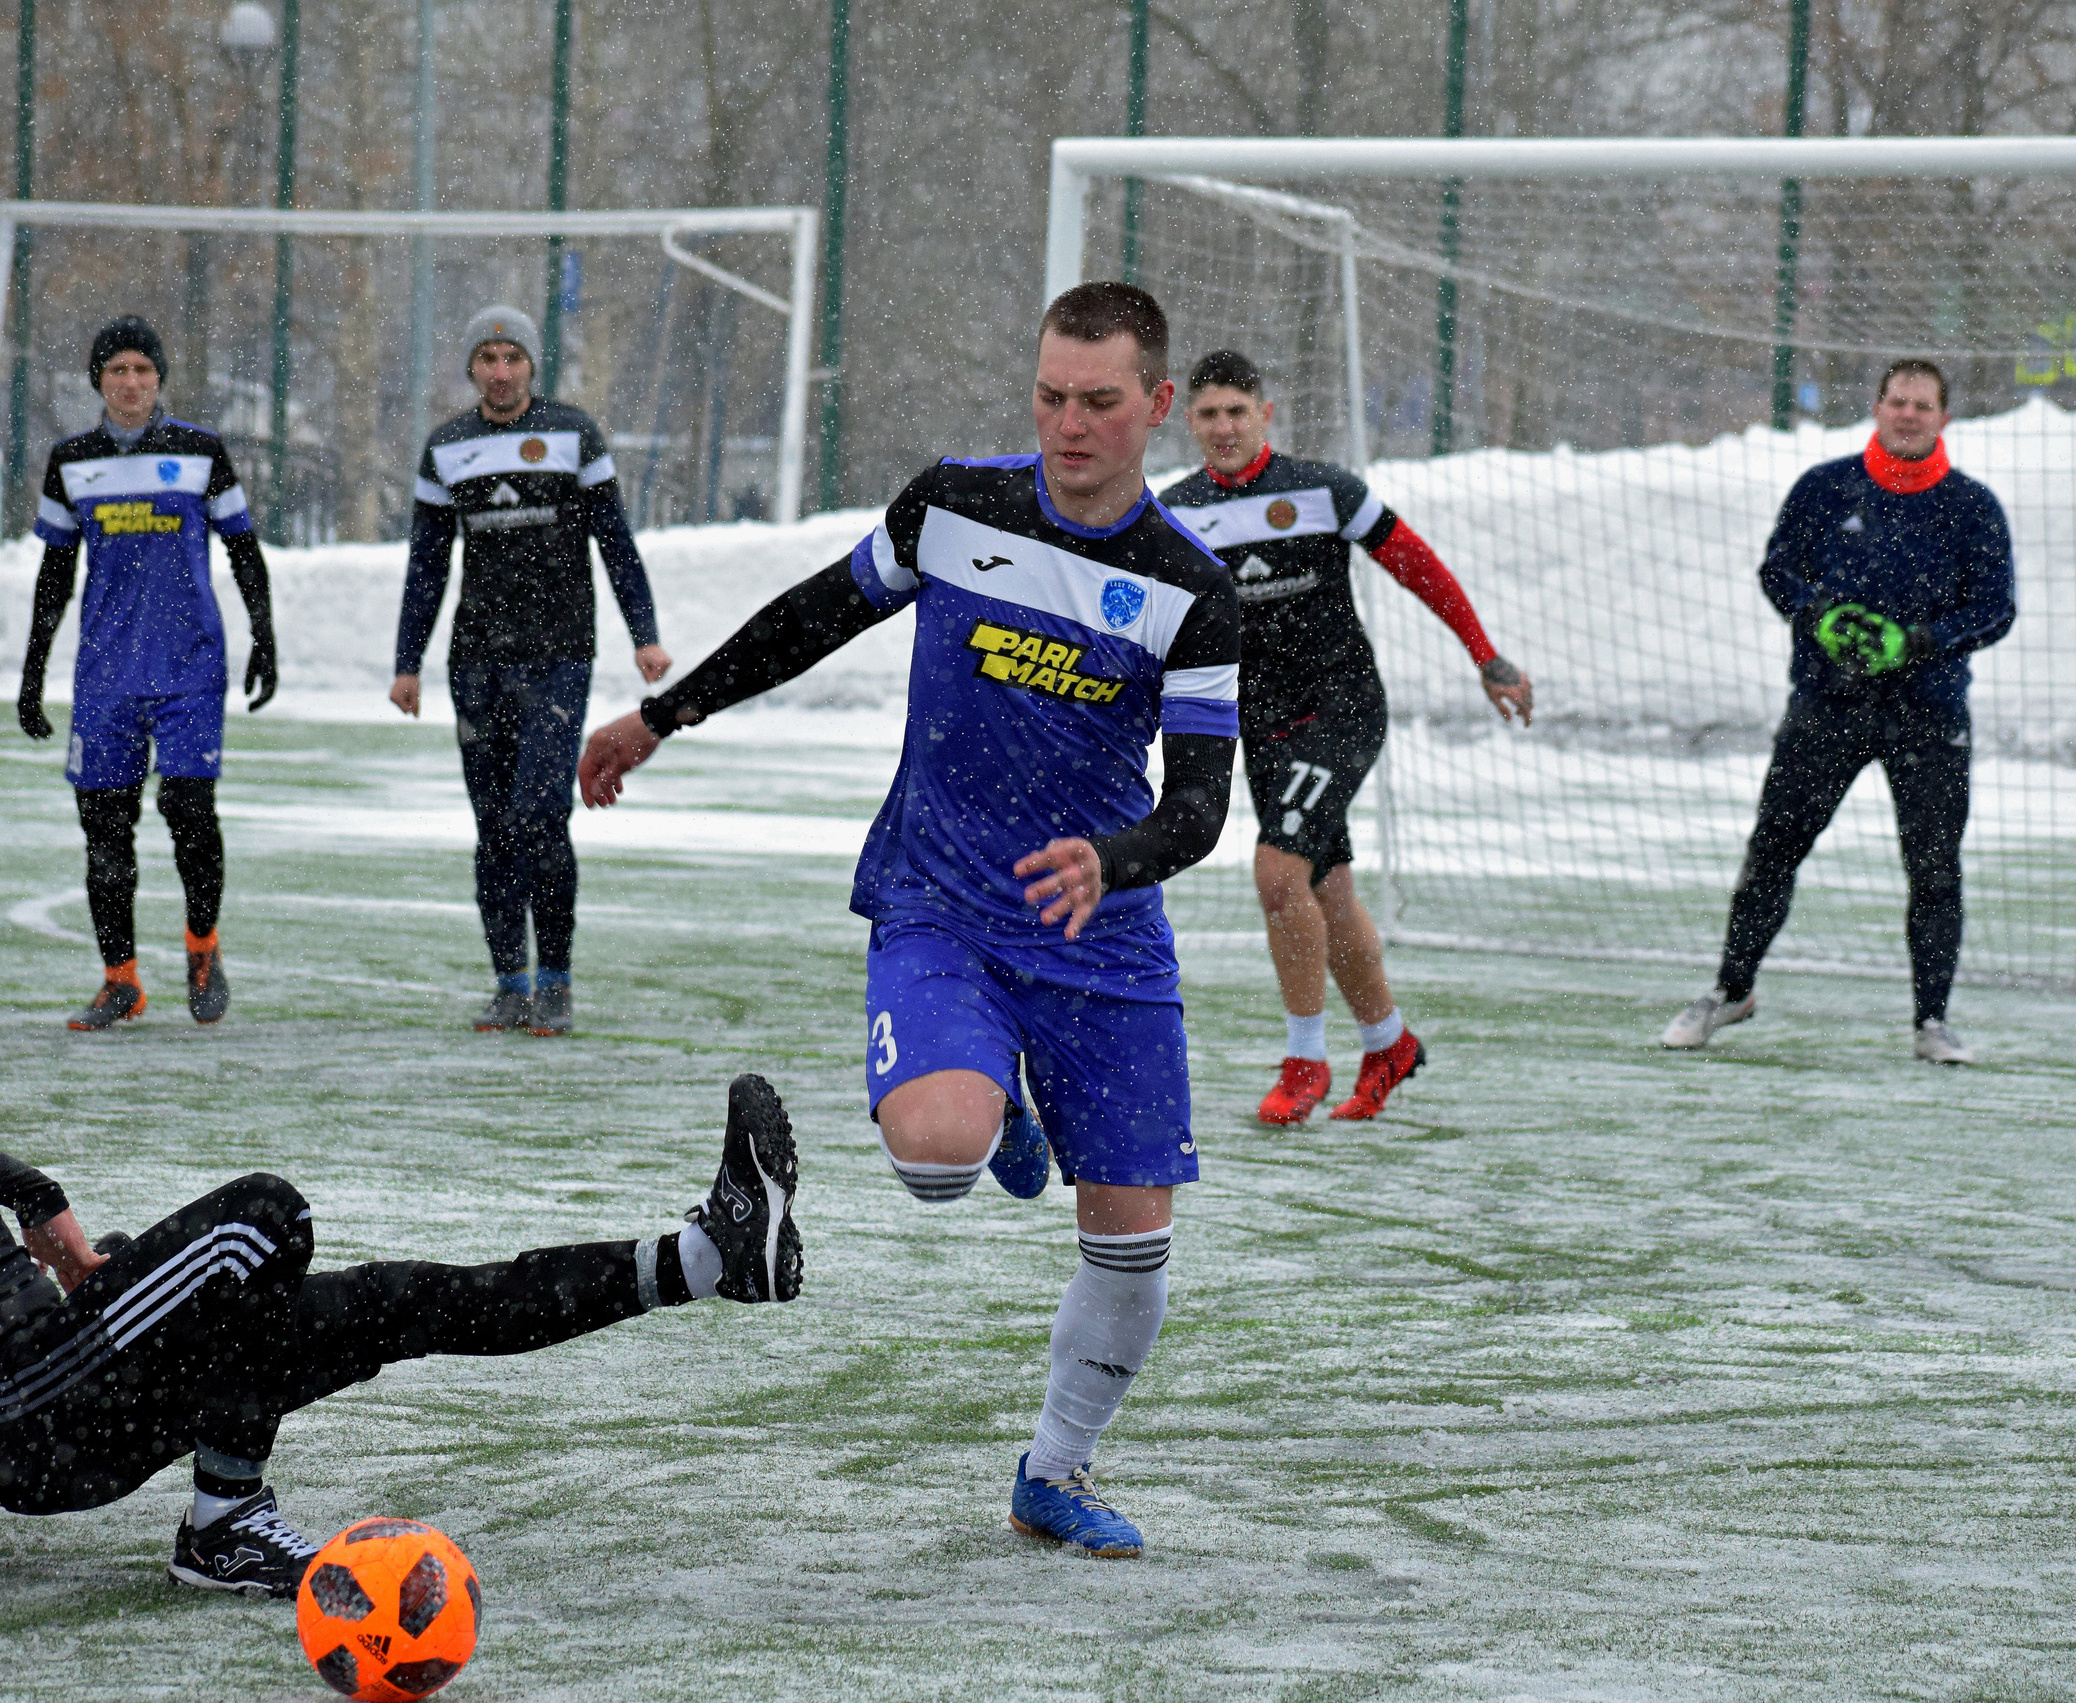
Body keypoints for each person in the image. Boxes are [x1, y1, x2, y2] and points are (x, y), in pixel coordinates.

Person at [579, 282, 1239, 1559]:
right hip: (941, 898)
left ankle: (1055, 1471)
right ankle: (992, 1100)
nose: (1068, 424)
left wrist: (1115, 857)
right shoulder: (954, 506)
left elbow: (1204, 808)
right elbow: (814, 618)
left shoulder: (1188, 589)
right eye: (1049, 396)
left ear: (1156, 406)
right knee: (938, 1159)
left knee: (1136, 1247)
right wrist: (662, 717)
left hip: (1099, 932)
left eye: (1099, 402)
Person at [0, 936, 799, 1600]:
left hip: (70, 1364)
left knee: (398, 1304)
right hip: (15, 1418)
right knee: (263, 1220)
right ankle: (226, 1523)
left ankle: (709, 1258)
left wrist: (65, 1240)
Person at [1158, 351, 1531, 1126]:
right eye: (1208, 414)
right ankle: (1389, 1041)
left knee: (1275, 872)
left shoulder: (1325, 490)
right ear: (1188, 423)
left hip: (1342, 710)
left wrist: (1485, 654)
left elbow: (1416, 566)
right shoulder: (1176, 512)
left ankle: (1304, 1061)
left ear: (1267, 413)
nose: (1224, 427)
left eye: (1237, 410)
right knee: (1325, 886)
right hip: (1257, 725)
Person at [1661, 358, 2014, 1062]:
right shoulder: (1825, 488)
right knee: (1775, 849)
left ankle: (1931, 1022)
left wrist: (1922, 643)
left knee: (1934, 867)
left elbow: (1996, 609)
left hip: (1927, 712)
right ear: (1876, 408)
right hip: (1829, 704)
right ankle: (1732, 990)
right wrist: (1816, 615)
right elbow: (1778, 569)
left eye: (1922, 405)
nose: (1908, 414)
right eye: (1897, 401)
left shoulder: (1972, 507)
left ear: (1944, 418)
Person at [391, 305, 672, 1036]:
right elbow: (426, 566)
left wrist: (645, 635)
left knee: (541, 816)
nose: (501, 370)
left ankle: (557, 981)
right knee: (493, 827)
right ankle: (510, 984)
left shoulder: (573, 435)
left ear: (531, 364)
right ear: (471, 368)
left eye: (512, 355)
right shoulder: (447, 446)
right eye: (487, 357)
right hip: (477, 661)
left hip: (558, 655)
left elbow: (615, 541)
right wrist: (406, 664)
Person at [18, 316, 279, 1031]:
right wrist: (32, 669)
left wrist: (264, 635)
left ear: (160, 378)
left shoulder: (200, 452)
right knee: (105, 830)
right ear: (97, 381)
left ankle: (202, 948)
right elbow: (54, 573)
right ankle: (120, 979)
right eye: (116, 372)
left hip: (189, 667)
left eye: (142, 370)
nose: (130, 383)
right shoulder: (72, 461)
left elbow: (243, 548)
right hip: (106, 675)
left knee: (191, 812)